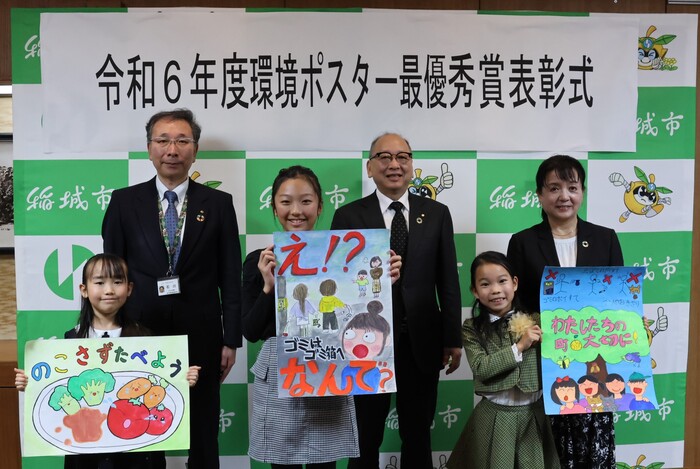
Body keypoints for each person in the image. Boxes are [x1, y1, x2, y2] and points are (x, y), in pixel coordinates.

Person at [101, 108, 242, 468]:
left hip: (203, 334)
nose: (172, 149)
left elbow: (230, 275)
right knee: (140, 427)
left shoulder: (220, 204)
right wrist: (110, 333)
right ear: (149, 148)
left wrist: (230, 339)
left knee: (203, 427)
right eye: (162, 140)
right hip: (139, 333)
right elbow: (112, 275)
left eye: (182, 140)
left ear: (195, 149)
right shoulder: (123, 202)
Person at [242, 165, 400, 468]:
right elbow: (250, 330)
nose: (296, 211)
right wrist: (268, 286)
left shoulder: (346, 258)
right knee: (282, 463)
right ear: (274, 207)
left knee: (324, 463)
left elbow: (354, 317)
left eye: (306, 201)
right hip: (280, 373)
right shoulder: (259, 260)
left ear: (320, 206)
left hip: (326, 370)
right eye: (286, 201)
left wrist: (382, 286)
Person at [331, 132, 462, 469]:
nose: (394, 164)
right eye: (384, 157)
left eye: (402, 157)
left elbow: (448, 279)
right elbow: (336, 283)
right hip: (365, 342)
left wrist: (452, 337)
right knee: (366, 434)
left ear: (411, 164)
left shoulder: (436, 213)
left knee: (417, 432)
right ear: (370, 166)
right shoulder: (348, 217)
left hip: (420, 338)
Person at [15, 253, 200, 469]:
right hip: (87, 454)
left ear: (129, 289)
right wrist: (30, 384)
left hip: (137, 454)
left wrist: (182, 379)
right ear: (84, 289)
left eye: (118, 282)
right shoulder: (71, 340)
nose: (109, 290)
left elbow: (159, 389)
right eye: (100, 282)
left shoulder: (146, 339)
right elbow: (59, 393)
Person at [507, 154, 623, 469]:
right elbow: (514, 307)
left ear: (582, 191)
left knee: (591, 449)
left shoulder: (605, 238)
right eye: (554, 188)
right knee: (547, 448)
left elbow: (618, 301)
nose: (564, 196)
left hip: (595, 364)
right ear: (540, 195)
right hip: (544, 362)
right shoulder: (523, 242)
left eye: (572, 187)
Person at [447, 251, 559, 469]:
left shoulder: (537, 320)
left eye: (502, 281)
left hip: (533, 415)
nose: (496, 290)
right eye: (485, 284)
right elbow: (481, 367)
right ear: (475, 291)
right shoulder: (472, 329)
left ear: (515, 283)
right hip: (494, 417)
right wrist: (519, 347)